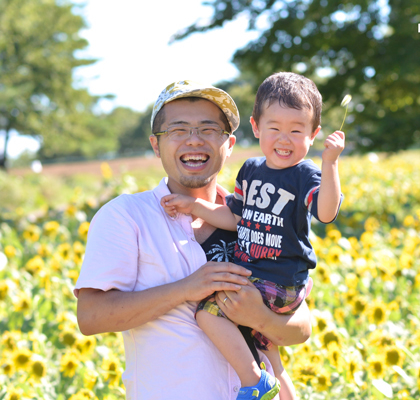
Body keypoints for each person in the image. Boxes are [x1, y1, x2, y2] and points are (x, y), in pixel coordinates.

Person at [75, 80, 312, 400]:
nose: (194, 140)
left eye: (209, 129)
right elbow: (90, 317)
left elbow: (301, 327)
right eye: (178, 130)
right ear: (156, 145)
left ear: (229, 144)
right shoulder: (125, 216)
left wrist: (259, 317)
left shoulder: (260, 217)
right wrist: (187, 289)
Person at [160, 72, 345, 400]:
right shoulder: (251, 170)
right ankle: (278, 387)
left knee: (208, 313)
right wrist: (195, 206)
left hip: (278, 279)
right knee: (267, 349)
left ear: (313, 134)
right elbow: (234, 218)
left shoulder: (305, 174)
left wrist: (329, 164)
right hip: (258, 277)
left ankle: (253, 382)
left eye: (296, 130)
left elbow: (327, 212)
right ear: (256, 127)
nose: (284, 139)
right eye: (274, 128)